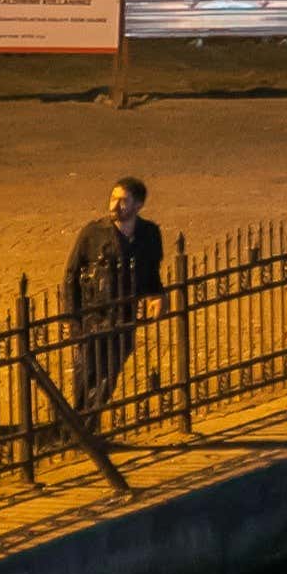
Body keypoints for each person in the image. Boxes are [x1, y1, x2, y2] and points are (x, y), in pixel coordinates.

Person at [61, 177, 167, 422]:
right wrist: (71, 317)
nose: (116, 205)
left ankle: (85, 424)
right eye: (113, 198)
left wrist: (157, 295)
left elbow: (151, 271)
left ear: (138, 205)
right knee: (86, 372)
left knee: (110, 374)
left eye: (123, 200)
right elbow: (71, 274)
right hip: (93, 315)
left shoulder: (149, 234)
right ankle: (80, 424)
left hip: (125, 315)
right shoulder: (93, 233)